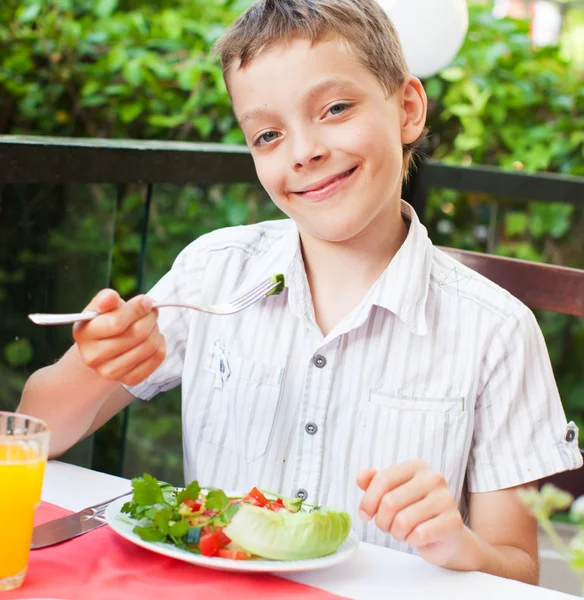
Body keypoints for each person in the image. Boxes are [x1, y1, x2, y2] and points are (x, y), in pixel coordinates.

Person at [19, 0, 581, 584]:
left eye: (335, 108)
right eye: (267, 134)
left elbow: (517, 573)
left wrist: (457, 544)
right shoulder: (214, 274)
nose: (303, 150)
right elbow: (37, 431)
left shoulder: (497, 330)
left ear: (408, 109)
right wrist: (95, 363)